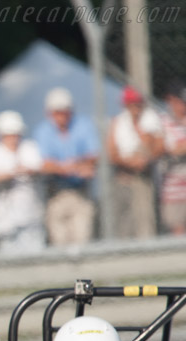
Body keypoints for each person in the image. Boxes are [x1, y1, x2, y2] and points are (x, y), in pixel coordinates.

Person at [33, 87, 98, 246]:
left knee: (82, 238)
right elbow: (44, 164)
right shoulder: (43, 131)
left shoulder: (83, 125)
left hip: (80, 192)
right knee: (59, 240)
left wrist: (70, 165)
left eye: (65, 112)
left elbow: (93, 155)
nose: (62, 116)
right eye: (57, 112)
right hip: (55, 193)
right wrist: (70, 167)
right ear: (49, 113)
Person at [0, 110, 46, 254]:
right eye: (9, 134)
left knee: (35, 256)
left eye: (15, 134)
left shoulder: (30, 148)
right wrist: (12, 173)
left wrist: (25, 170)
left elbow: (38, 167)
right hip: (5, 221)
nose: (13, 138)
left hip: (31, 216)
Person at [108, 86, 163, 240]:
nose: (135, 107)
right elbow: (111, 153)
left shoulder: (150, 121)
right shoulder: (118, 123)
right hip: (124, 177)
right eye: (132, 104)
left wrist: (145, 157)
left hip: (144, 176)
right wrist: (129, 162)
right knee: (125, 220)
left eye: (138, 103)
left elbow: (158, 147)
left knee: (145, 218)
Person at [159, 84, 186, 237]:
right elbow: (168, 148)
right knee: (177, 231)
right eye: (180, 102)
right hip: (173, 189)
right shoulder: (163, 122)